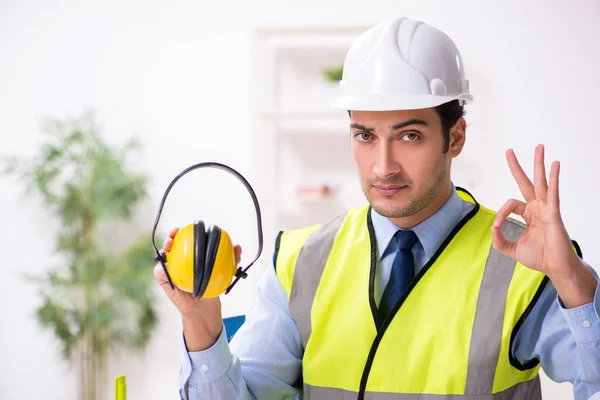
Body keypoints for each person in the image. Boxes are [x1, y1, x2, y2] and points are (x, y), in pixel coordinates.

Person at [154, 17, 600, 400]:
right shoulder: (298, 260)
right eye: (365, 135)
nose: (383, 166)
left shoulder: (524, 263)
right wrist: (201, 322)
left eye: (409, 136)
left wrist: (570, 279)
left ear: (455, 138)